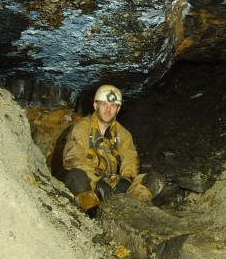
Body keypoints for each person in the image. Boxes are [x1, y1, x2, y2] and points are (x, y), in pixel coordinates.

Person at [62, 84, 163, 216]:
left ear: (118, 109)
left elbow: (130, 159)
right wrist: (97, 182)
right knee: (74, 177)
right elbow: (72, 161)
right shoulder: (81, 128)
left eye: (113, 105)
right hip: (90, 183)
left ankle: (128, 208)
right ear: (95, 105)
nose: (108, 110)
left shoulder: (123, 133)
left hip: (112, 183)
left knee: (155, 179)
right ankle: (94, 212)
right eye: (104, 104)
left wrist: (126, 179)